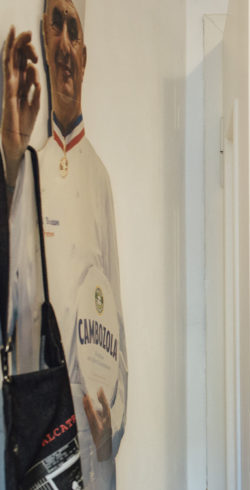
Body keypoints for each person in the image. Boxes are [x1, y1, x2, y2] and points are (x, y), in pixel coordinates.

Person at [0, 0, 127, 488]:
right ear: (45, 40)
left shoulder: (100, 177)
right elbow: (13, 298)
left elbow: (113, 309)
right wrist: (11, 160)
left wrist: (112, 423)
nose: (65, 43)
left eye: (74, 29)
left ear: (84, 54)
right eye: (56, 25)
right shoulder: (26, 166)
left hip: (92, 428)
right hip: (40, 419)